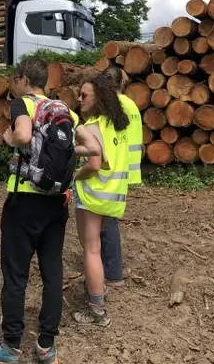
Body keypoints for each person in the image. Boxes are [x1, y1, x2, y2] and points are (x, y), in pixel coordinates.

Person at [0, 58, 100, 364]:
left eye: (14, 78)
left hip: (25, 201)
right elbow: (94, 148)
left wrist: (10, 138)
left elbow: (20, 136)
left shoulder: (23, 105)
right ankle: (47, 346)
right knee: (52, 272)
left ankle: (10, 347)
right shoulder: (64, 110)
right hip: (57, 202)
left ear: (22, 79)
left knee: (16, 275)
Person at [72, 74, 132, 326]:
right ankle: (98, 292)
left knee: (92, 250)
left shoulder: (93, 126)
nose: (79, 99)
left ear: (99, 98)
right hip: (113, 196)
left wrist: (75, 177)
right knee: (96, 247)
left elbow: (94, 164)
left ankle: (97, 309)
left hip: (92, 195)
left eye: (84, 95)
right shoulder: (118, 125)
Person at [97, 66, 142, 287]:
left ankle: (112, 272)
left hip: (111, 168)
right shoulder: (132, 104)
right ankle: (107, 266)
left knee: (107, 220)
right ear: (121, 83)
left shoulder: (109, 105)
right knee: (108, 218)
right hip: (126, 168)